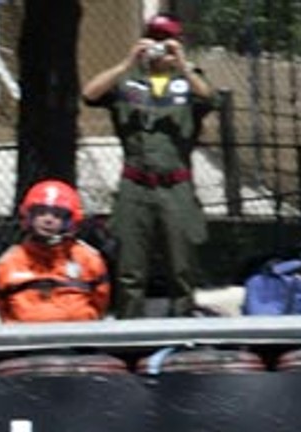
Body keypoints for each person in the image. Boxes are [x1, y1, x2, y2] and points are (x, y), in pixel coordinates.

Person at [82, 13, 215, 318]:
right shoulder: (128, 83)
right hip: (135, 186)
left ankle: (183, 331)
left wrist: (182, 64)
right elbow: (89, 94)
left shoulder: (188, 83)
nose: (159, 48)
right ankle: (130, 333)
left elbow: (210, 99)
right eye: (154, 39)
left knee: (181, 267)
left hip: (176, 186)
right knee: (130, 269)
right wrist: (126, 63)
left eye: (166, 41)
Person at [0, 181, 111, 323]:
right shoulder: (10, 262)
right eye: (41, 213)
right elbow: (3, 308)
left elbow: (100, 302)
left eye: (57, 215)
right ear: (28, 216)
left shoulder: (88, 259)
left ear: (71, 220)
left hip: (77, 339)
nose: (48, 220)